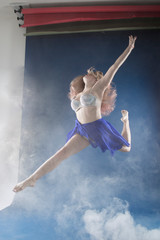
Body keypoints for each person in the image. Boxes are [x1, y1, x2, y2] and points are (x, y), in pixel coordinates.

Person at [13, 35, 137, 193]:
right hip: (82, 129)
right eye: (86, 73)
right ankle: (32, 179)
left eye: (90, 73)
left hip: (97, 127)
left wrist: (129, 48)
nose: (87, 73)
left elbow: (115, 66)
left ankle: (126, 121)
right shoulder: (78, 95)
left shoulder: (98, 88)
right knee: (61, 153)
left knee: (126, 148)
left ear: (96, 78)